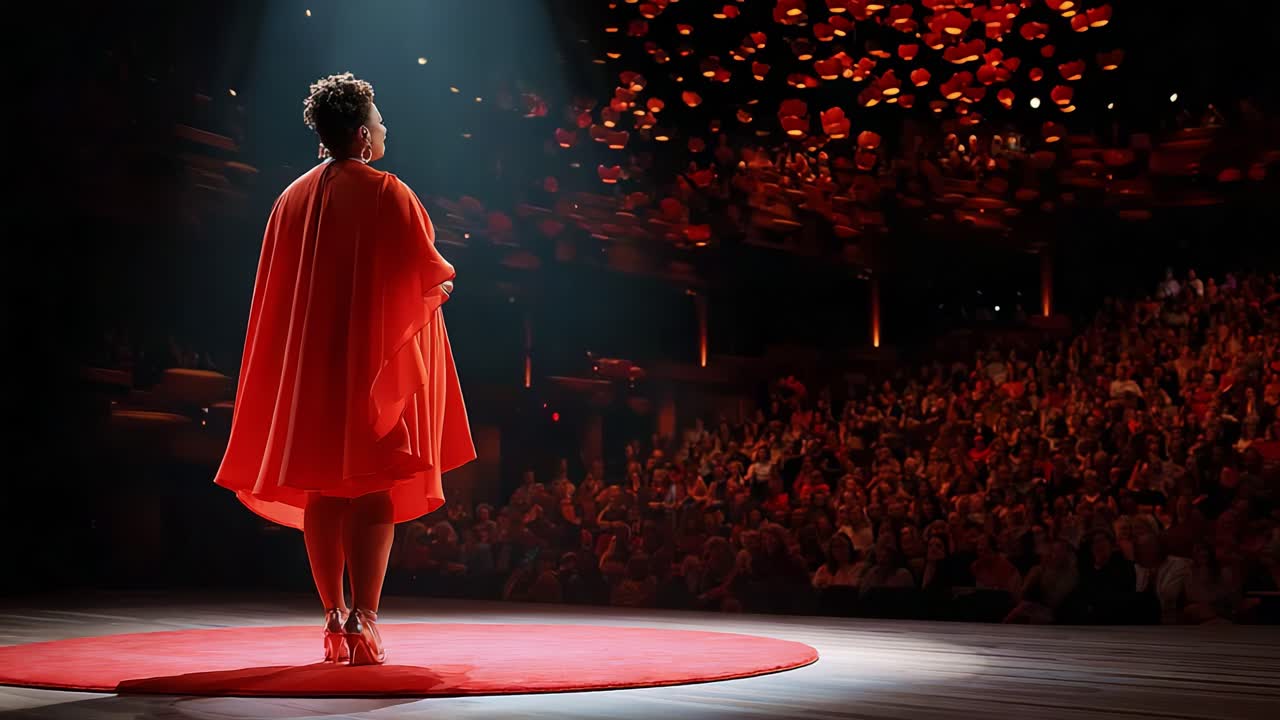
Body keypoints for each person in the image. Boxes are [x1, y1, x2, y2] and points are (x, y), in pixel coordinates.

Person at [213, 73, 476, 665]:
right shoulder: (388, 191)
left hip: (309, 370)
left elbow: (275, 296)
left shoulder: (290, 198)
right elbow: (428, 274)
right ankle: (366, 621)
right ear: (361, 134)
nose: (385, 129)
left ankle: (333, 619)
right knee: (375, 487)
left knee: (323, 491)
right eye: (379, 121)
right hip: (366, 364)